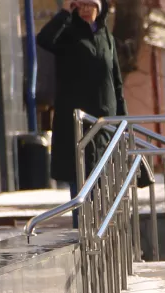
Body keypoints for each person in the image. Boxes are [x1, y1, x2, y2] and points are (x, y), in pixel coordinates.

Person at [38, 0, 127, 228]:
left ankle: (106, 239)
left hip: (105, 127)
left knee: (106, 186)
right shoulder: (67, 34)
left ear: (100, 8)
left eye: (91, 4)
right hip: (77, 127)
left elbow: (116, 85)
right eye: (81, 4)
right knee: (82, 186)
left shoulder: (107, 37)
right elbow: (44, 39)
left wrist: (124, 124)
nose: (86, 9)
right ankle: (84, 237)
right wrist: (64, 13)